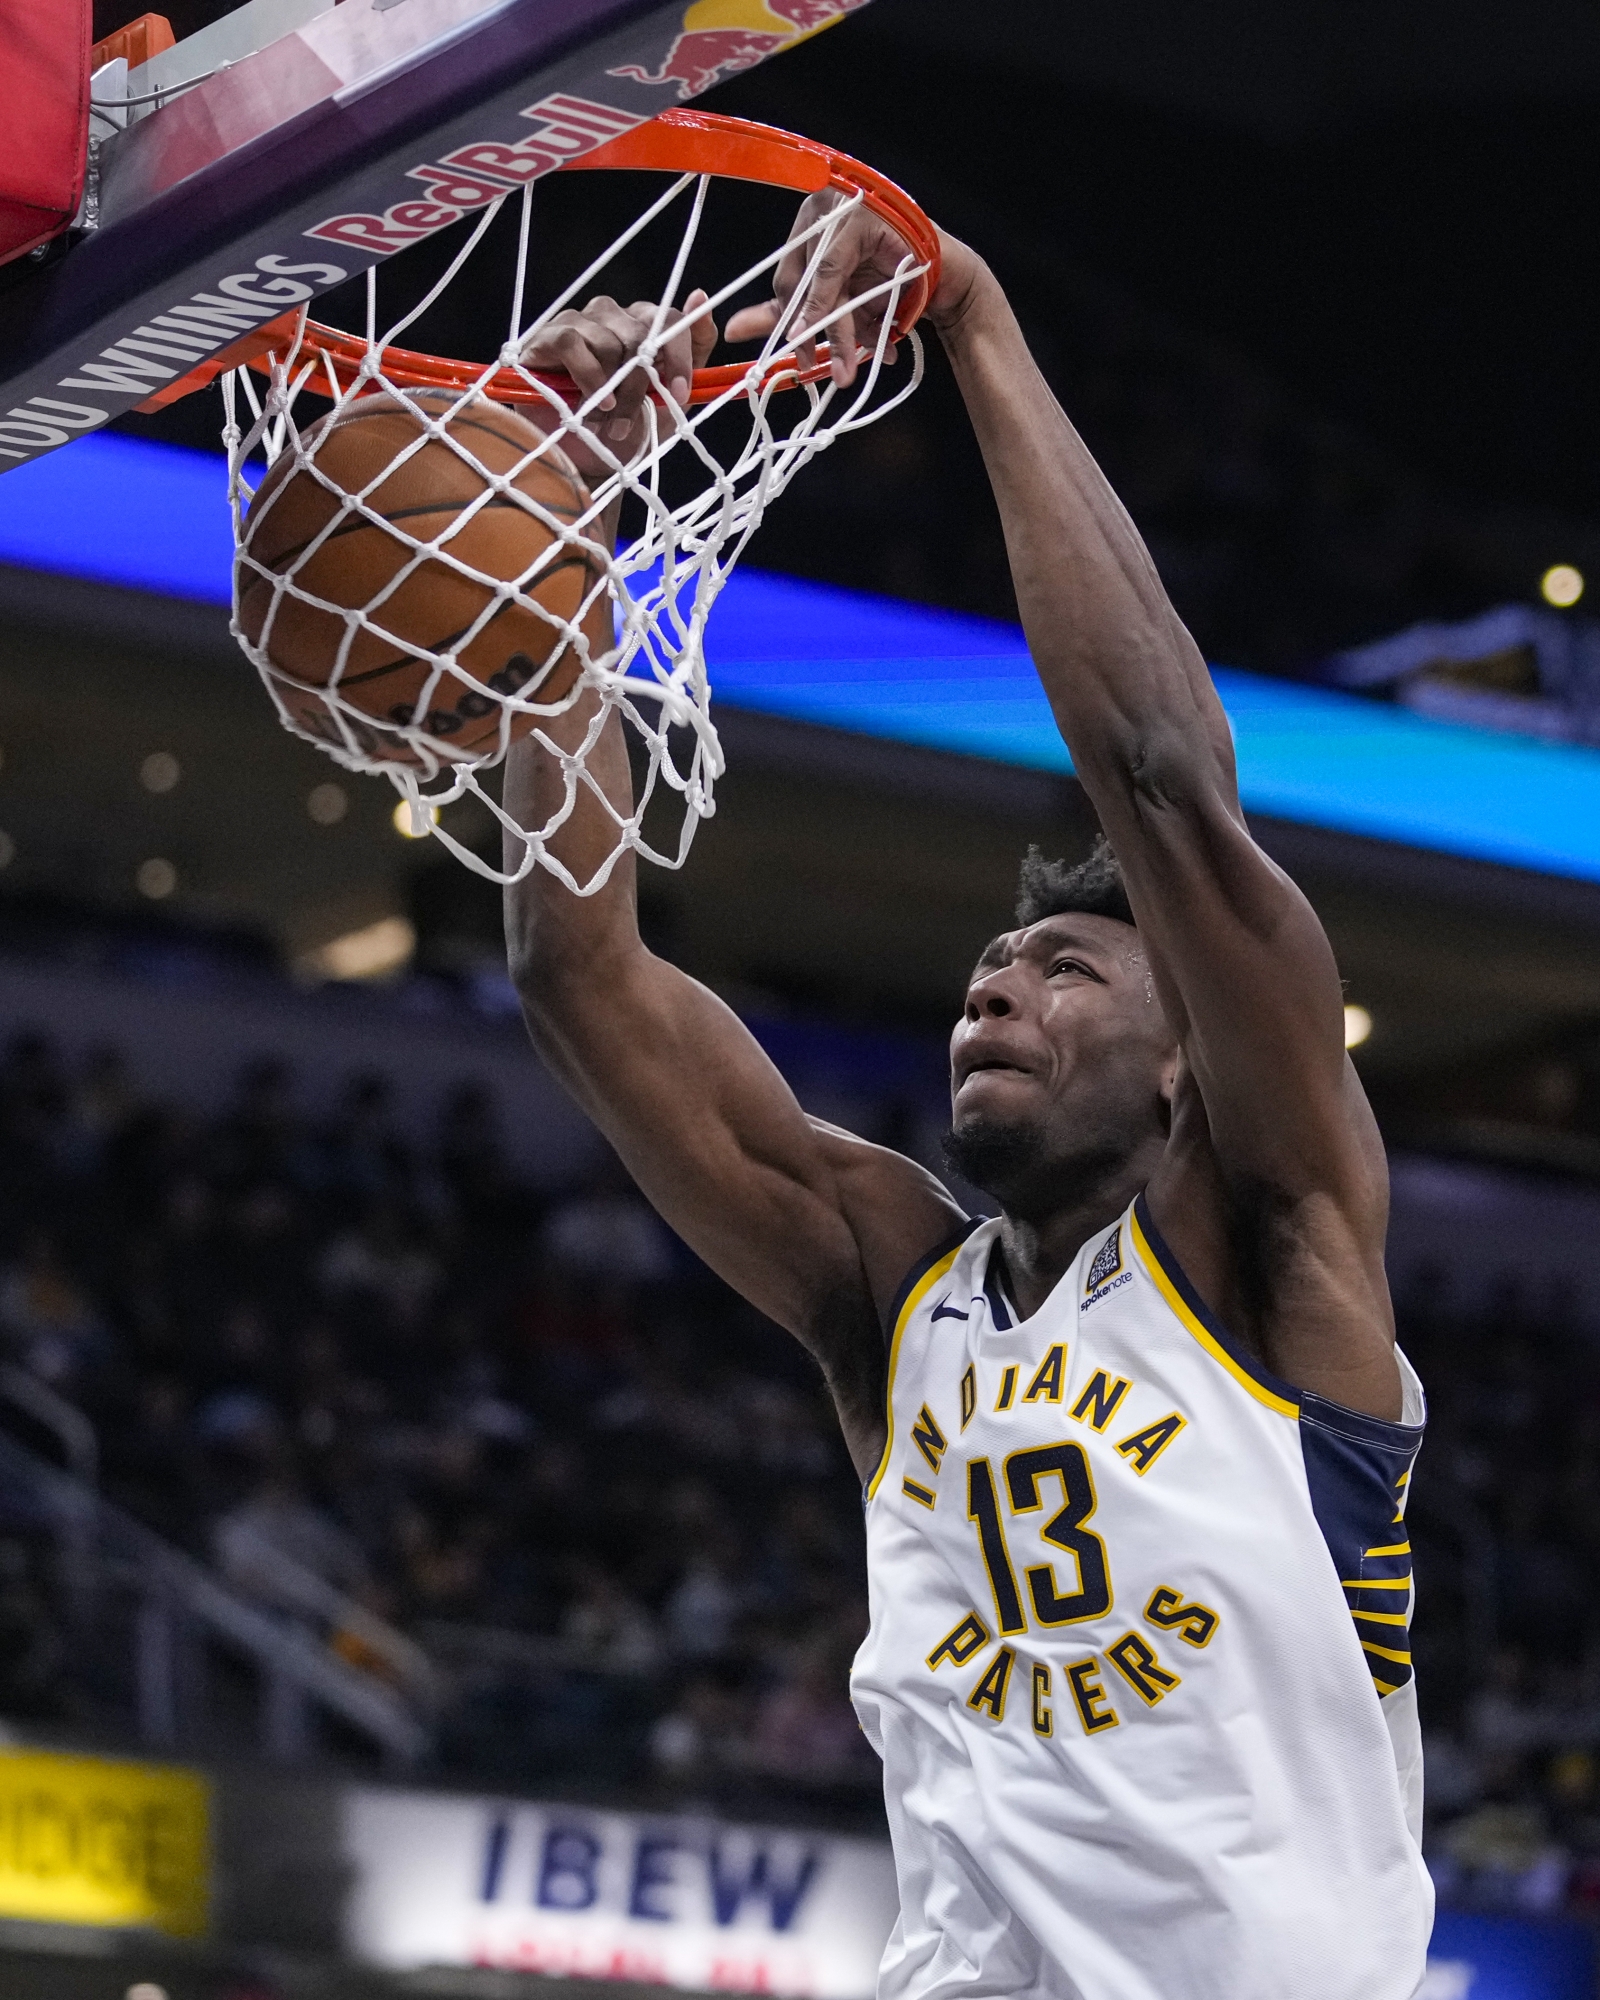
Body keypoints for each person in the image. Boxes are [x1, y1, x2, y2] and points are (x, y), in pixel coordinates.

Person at [503, 208, 1430, 1999]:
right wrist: (561, 528)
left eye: (1070, 971)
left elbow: (1163, 779)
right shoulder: (897, 1293)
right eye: (990, 974)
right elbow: (579, 972)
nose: (999, 986)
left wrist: (975, 322)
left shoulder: (1270, 1242)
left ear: (1189, 1060)